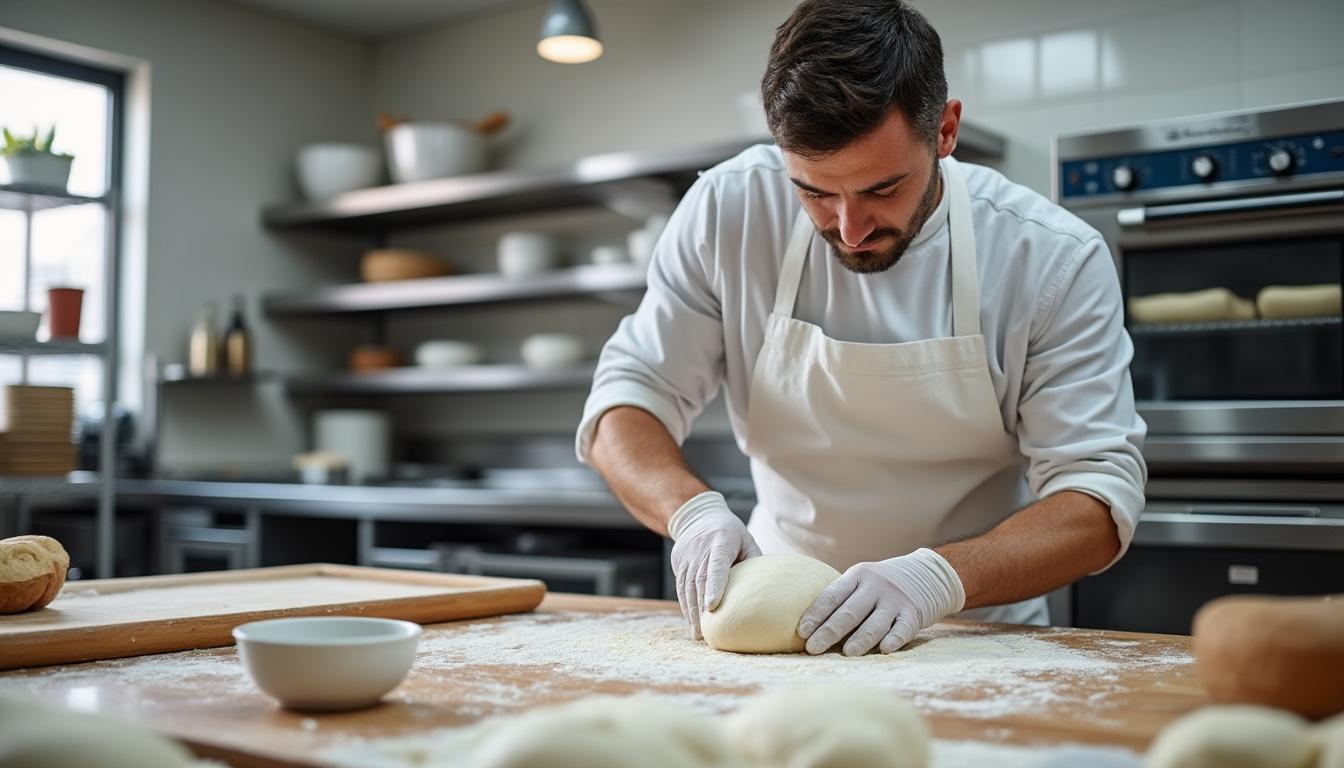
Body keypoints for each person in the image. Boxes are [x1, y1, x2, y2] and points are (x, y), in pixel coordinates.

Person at [576, 0, 1146, 656]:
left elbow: (1095, 500)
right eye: (814, 192)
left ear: (946, 131)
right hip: (784, 632)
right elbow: (627, 399)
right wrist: (692, 513)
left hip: (974, 634)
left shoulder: (1047, 257)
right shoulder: (728, 213)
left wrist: (935, 578)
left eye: (881, 190)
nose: (848, 229)